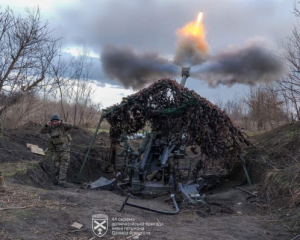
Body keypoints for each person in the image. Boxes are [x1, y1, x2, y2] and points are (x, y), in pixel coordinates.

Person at [40, 114, 73, 187]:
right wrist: (46, 125)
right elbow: (41, 131)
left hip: (65, 150)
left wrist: (61, 123)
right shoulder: (51, 128)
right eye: (53, 121)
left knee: (63, 166)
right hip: (56, 151)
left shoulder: (63, 126)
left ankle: (61, 183)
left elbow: (71, 125)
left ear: (59, 121)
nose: (55, 123)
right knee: (56, 166)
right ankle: (56, 180)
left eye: (56, 121)